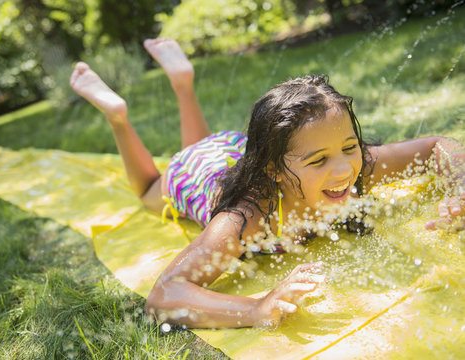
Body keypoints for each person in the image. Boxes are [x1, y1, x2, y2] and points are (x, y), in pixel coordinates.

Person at [70, 38, 465, 329]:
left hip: (234, 150)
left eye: (349, 146)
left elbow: (437, 146)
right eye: (320, 159)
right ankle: (118, 115)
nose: (344, 169)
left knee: (206, 146)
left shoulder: (350, 165)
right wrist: (256, 307)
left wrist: (459, 185)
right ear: (274, 168)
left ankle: (183, 82)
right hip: (197, 173)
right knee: (147, 190)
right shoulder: (248, 217)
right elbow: (163, 296)